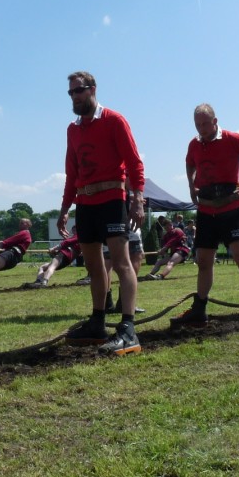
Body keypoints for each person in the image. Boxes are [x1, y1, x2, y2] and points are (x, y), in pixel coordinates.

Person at [57, 70, 145, 356]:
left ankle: (128, 328)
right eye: (71, 92)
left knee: (121, 263)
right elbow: (72, 173)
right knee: (94, 266)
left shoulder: (114, 120)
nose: (74, 96)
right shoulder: (73, 130)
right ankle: (97, 322)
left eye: (78, 90)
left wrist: (137, 198)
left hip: (112, 201)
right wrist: (65, 209)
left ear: (92, 89)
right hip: (85, 204)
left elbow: (134, 162)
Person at [171, 103, 239, 330]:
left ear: (215, 121)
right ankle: (199, 311)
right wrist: (191, 185)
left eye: (205, 124)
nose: (202, 129)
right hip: (206, 209)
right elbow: (189, 163)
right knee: (204, 261)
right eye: (198, 125)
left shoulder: (232, 139)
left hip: (230, 207)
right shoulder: (194, 144)